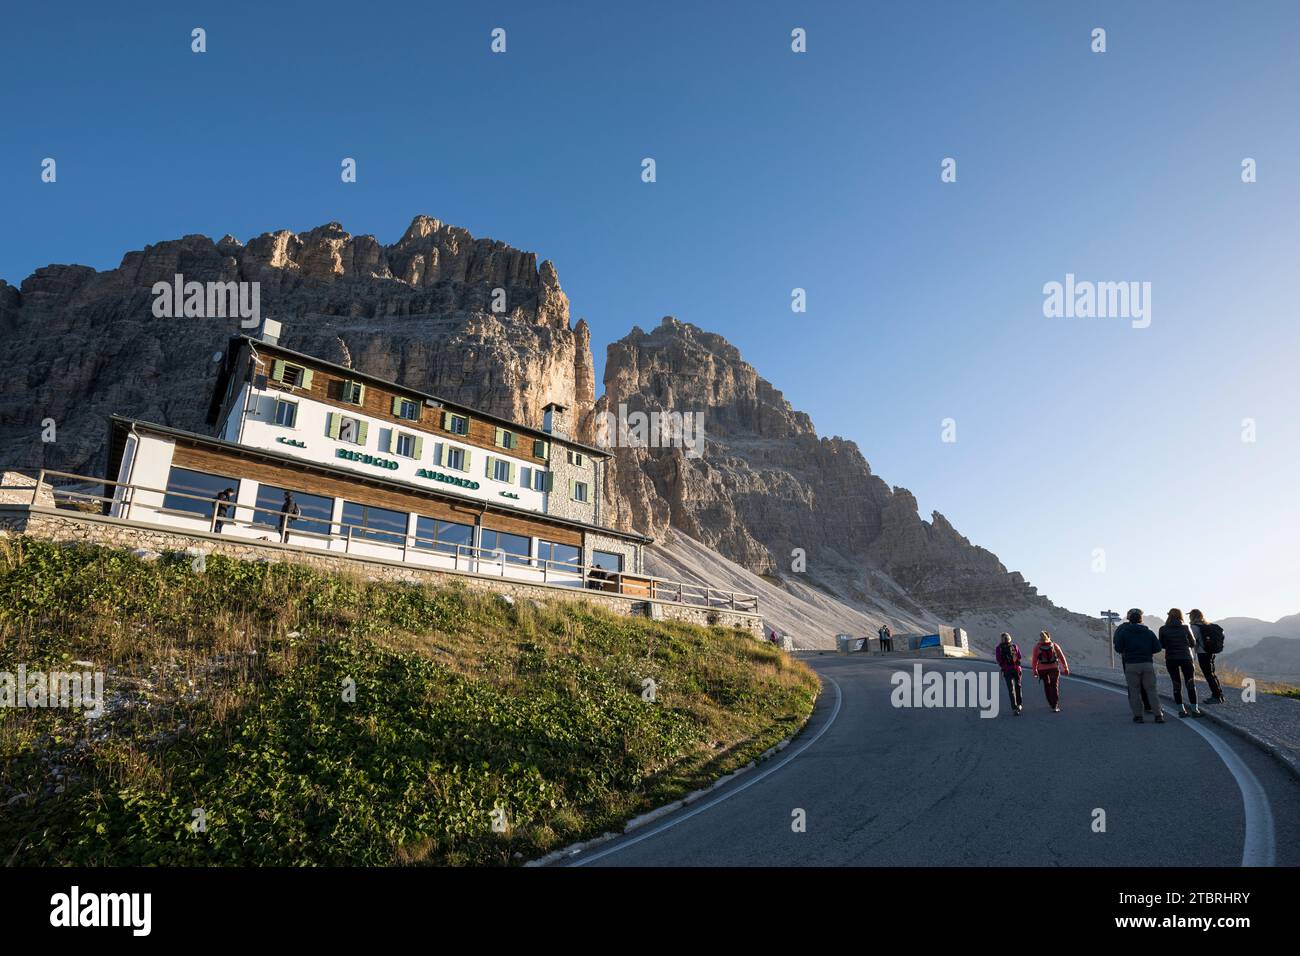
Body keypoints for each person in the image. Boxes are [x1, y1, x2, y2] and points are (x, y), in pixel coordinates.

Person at [1113, 608, 1165, 723]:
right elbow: (1158, 648)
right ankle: (1158, 715)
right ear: (1141, 620)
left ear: (1129, 619)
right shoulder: (1148, 632)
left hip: (1131, 664)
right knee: (1151, 690)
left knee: (1134, 691)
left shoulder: (1123, 631)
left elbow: (1118, 648)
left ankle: (1138, 716)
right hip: (1147, 663)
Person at [1159, 608, 1203, 717]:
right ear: (1181, 616)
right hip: (1186, 658)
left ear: (1168, 616)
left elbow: (1162, 645)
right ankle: (1195, 710)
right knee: (1190, 683)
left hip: (1171, 658)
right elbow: (1192, 643)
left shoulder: (1163, 629)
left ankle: (1181, 710)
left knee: (1176, 684)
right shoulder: (1185, 627)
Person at [1189, 609, 1226, 704]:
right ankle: (1219, 695)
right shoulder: (1208, 625)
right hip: (1211, 652)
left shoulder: (1194, 627)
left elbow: (1192, 641)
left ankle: (1216, 696)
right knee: (1212, 674)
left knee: (1209, 675)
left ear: (1192, 616)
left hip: (1203, 654)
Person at [1031, 630, 1070, 712]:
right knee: (1054, 686)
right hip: (1054, 668)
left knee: (1046, 685)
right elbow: (1062, 657)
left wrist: (1034, 670)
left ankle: (1051, 703)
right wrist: (1065, 668)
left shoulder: (1037, 647)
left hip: (1042, 670)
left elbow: (1034, 660)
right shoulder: (1054, 645)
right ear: (1049, 637)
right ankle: (1055, 705)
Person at [994, 632, 1023, 715]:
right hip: (1016, 668)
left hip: (1006, 670)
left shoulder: (998, 648)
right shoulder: (1014, 646)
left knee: (1011, 689)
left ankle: (1014, 708)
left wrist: (1003, 666)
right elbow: (1019, 656)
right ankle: (1020, 704)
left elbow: (999, 659)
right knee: (1018, 686)